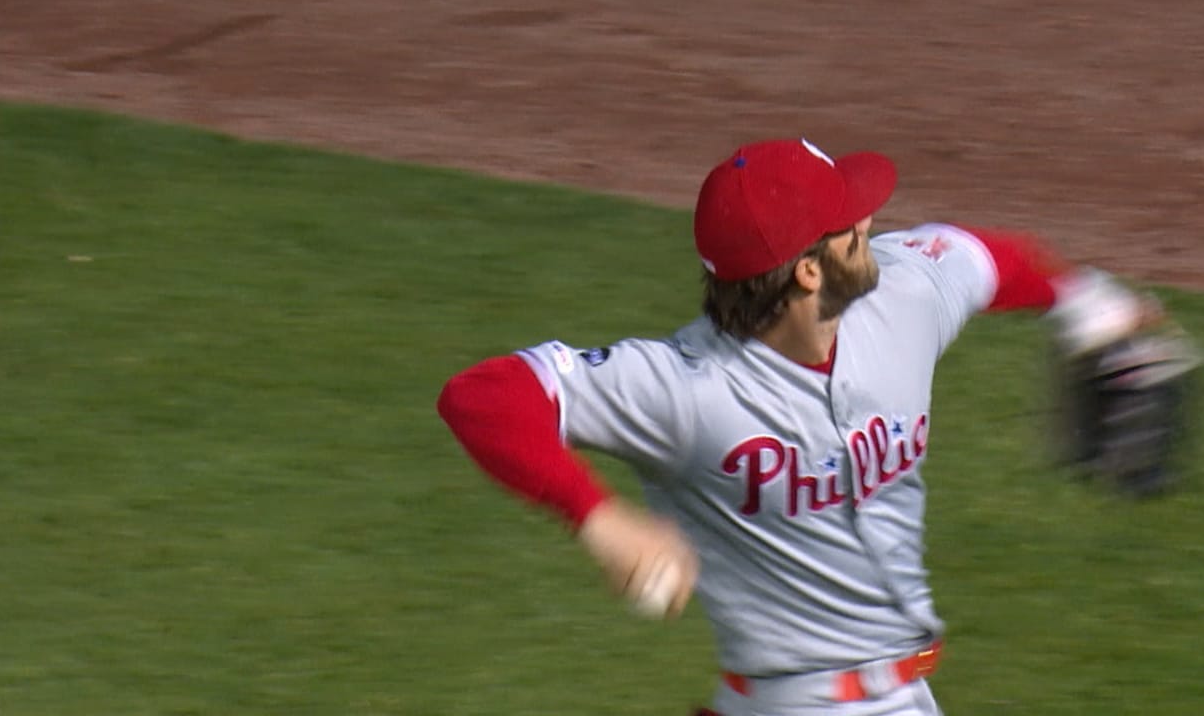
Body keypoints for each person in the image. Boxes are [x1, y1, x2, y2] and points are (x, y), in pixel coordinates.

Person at [437, 137, 1163, 716]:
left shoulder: (900, 295)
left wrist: (1088, 303)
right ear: (810, 271)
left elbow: (988, 260)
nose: (870, 223)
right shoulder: (685, 388)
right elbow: (483, 397)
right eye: (850, 222)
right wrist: (600, 519)